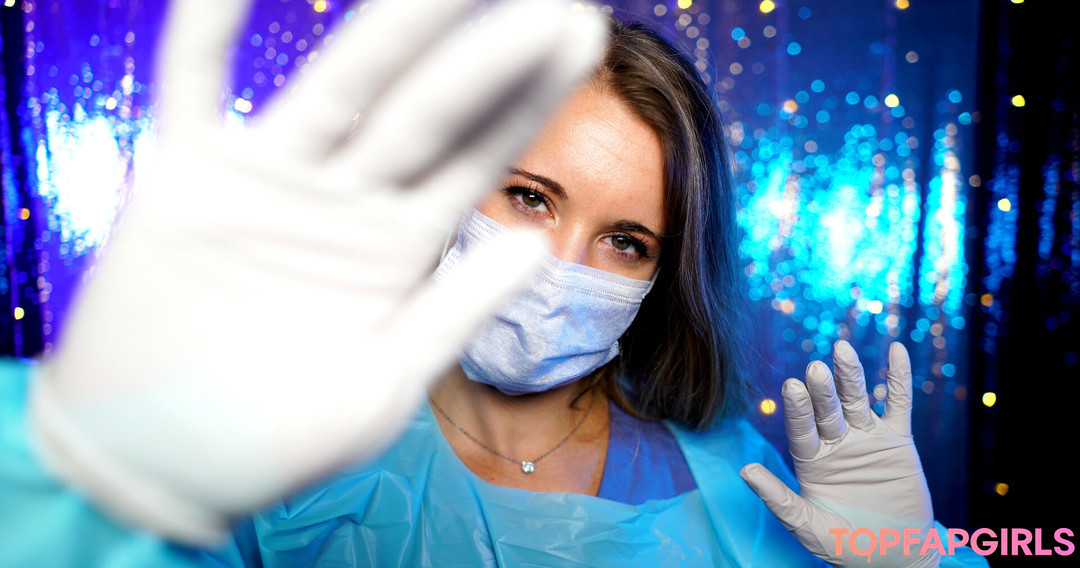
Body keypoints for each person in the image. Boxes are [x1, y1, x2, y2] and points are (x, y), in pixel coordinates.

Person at [203, 15, 988, 568]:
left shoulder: (727, 480)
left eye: (624, 242)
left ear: (661, 278)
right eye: (530, 198)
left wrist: (907, 561)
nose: (556, 267)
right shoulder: (278, 450)